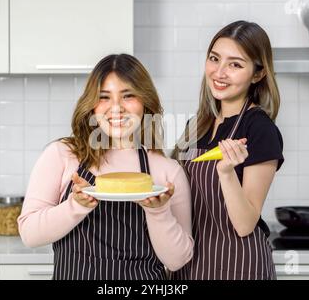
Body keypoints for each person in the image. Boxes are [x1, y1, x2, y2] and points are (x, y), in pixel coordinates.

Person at [18, 54, 194, 280]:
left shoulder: (167, 171)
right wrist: (76, 206)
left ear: (145, 102)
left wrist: (158, 211)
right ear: (91, 105)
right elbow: (29, 234)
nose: (116, 108)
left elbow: (177, 260)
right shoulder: (62, 155)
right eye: (104, 97)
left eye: (128, 95)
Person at [171, 21, 284, 280]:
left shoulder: (259, 128)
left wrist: (226, 173)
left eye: (235, 64)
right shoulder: (197, 125)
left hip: (237, 264)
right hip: (189, 263)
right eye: (214, 59)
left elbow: (245, 224)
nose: (219, 73)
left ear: (257, 74)